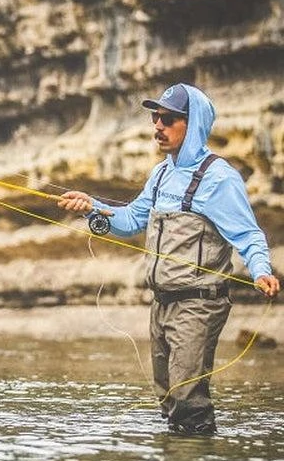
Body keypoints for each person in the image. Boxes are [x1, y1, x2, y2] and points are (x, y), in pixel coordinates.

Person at [57, 83, 279, 436]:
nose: (158, 126)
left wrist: (261, 270)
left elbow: (248, 235)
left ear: (194, 124)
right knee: (167, 397)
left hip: (199, 305)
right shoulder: (161, 174)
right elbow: (130, 220)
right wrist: (92, 207)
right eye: (155, 117)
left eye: (169, 119)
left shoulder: (219, 178)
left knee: (187, 397)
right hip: (161, 304)